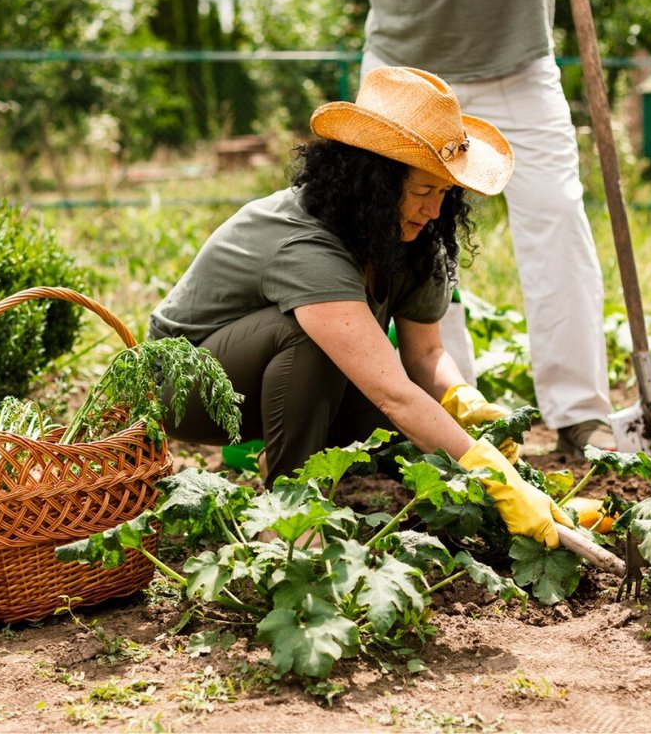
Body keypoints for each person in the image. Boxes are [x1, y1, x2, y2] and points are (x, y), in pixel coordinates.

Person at [149, 66, 572, 548]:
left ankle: (286, 454)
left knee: (405, 414)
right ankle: (289, 517)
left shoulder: (412, 235)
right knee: (323, 346)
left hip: (265, 380)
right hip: (185, 390)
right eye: (421, 191)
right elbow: (393, 390)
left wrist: (461, 400)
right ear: (372, 183)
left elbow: (426, 355)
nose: (435, 210)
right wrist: (494, 479)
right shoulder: (306, 244)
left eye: (445, 192)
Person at [364, 0, 617, 457]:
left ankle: (580, 410)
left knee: (558, 214)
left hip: (518, 62)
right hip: (405, 63)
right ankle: (446, 414)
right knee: (414, 228)